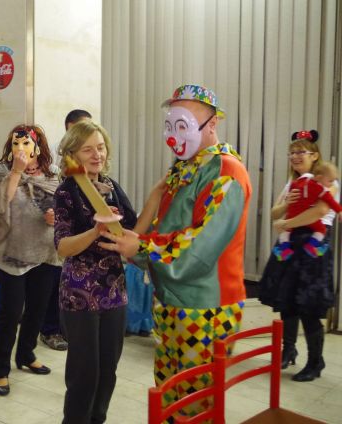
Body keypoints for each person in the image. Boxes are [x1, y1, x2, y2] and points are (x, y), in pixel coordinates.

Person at [99, 84, 252, 418]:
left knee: (195, 401)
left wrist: (141, 247)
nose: (173, 136)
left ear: (212, 124)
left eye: (183, 125)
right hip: (170, 299)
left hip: (206, 306)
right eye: (170, 126)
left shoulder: (227, 171)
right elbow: (165, 227)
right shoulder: (184, 168)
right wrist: (135, 239)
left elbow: (200, 246)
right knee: (169, 390)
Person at [55, 119, 147, 423]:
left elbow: (133, 229)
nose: (97, 155)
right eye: (88, 149)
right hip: (80, 294)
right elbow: (63, 247)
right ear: (73, 154)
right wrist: (96, 230)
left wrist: (158, 199)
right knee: (84, 376)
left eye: (101, 147)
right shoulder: (67, 191)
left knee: (108, 372)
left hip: (114, 290)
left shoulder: (112, 187)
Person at [0, 124, 60, 396]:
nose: (21, 149)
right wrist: (16, 171)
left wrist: (57, 217)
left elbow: (65, 206)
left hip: (45, 252)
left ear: (38, 147)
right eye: (16, 144)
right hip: (12, 254)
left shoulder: (53, 174)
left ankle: (26, 354)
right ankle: (0, 370)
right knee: (11, 313)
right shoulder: (2, 172)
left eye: (26, 143)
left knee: (37, 309)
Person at [259, 129, 337, 382]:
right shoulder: (292, 183)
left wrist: (287, 222)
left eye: (301, 151)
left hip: (314, 246)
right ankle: (288, 350)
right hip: (290, 243)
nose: (295, 156)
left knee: (309, 306)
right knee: (287, 302)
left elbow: (319, 212)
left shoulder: (328, 181)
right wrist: (287, 205)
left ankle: (315, 361)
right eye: (291, 152)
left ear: (314, 155)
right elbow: (274, 212)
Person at [39, 109, 92, 352]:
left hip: (81, 230)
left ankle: (65, 328)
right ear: (69, 128)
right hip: (58, 227)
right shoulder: (56, 156)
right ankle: (50, 330)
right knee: (53, 280)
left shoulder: (90, 156)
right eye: (80, 128)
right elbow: (49, 188)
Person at [273, 158, 342, 260]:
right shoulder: (320, 189)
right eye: (330, 181)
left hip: (292, 213)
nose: (331, 184)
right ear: (319, 177)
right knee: (321, 229)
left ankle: (284, 248)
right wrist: (339, 211)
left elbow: (293, 186)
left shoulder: (300, 180)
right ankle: (312, 245)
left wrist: (289, 200)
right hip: (305, 216)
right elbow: (330, 202)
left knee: (285, 231)